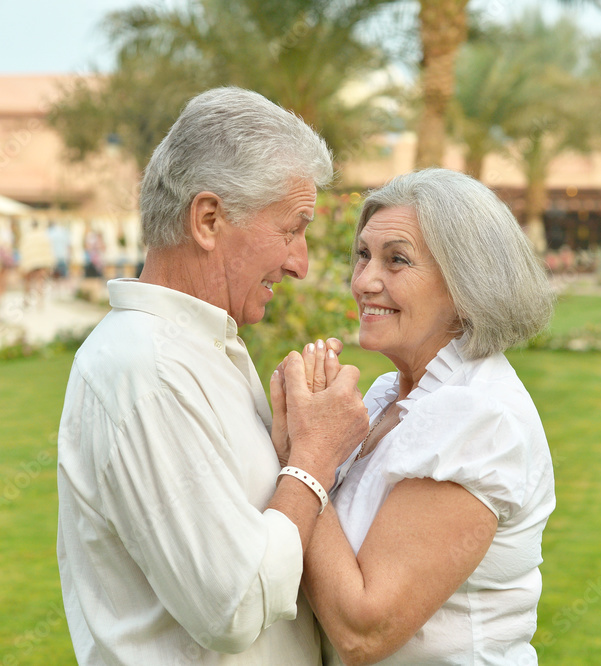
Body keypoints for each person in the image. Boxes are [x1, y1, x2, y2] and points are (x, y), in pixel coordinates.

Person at [56, 87, 369, 665]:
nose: (300, 262)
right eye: (292, 228)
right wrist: (315, 459)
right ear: (208, 219)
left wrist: (290, 447)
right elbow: (235, 605)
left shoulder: (197, 351)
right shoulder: (148, 371)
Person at [277, 168, 558, 664]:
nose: (364, 281)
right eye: (363, 255)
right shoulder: (393, 395)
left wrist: (304, 456)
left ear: (466, 285)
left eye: (397, 261)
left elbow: (365, 629)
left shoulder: (478, 419)